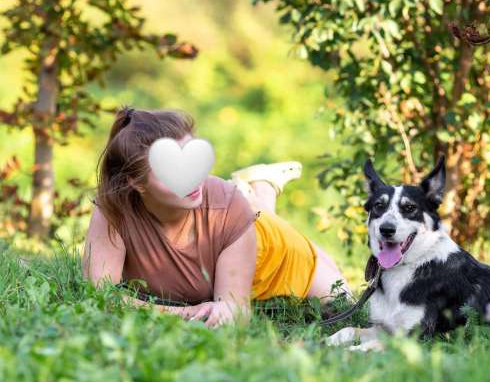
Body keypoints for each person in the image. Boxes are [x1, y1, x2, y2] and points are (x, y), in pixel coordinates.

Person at [83, 106, 350, 328]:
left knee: (344, 299)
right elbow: (102, 295)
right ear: (136, 183)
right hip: (232, 222)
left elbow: (236, 314)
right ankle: (259, 189)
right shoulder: (113, 206)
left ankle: (261, 190)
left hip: (274, 252)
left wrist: (226, 309)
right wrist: (187, 313)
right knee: (242, 209)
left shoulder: (228, 208)